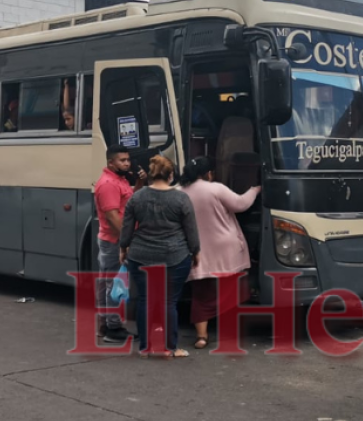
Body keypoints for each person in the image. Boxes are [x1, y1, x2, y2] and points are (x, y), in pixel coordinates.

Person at [119, 155, 201, 359]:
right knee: (169, 302)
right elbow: (191, 230)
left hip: (140, 255)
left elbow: (127, 229)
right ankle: (171, 348)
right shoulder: (181, 198)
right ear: (171, 175)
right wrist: (195, 251)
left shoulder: (136, 198)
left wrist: (123, 248)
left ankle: (145, 348)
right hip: (175, 255)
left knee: (145, 300)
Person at [178, 156, 261, 350]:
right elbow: (241, 204)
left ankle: (201, 337)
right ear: (208, 174)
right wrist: (254, 189)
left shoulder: (180, 192)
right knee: (230, 290)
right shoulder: (215, 188)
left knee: (201, 293)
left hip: (197, 251)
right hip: (226, 250)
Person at [93, 146, 141, 343]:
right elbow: (113, 216)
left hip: (113, 240)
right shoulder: (108, 184)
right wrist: (126, 241)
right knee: (115, 285)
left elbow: (128, 202)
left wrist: (140, 182)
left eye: (128, 160)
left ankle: (105, 324)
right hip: (113, 242)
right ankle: (113, 328)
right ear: (110, 162)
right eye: (122, 160)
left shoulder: (120, 180)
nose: (127, 163)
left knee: (108, 284)